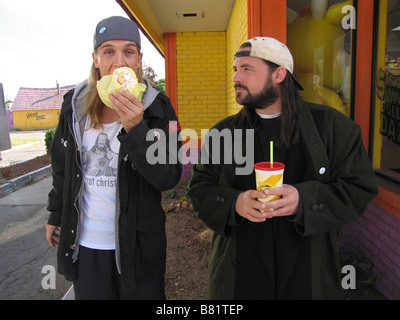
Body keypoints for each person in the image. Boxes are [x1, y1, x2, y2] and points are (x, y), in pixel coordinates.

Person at [187, 37, 378, 300]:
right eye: (235, 69)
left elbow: (360, 188)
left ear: (278, 74)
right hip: (239, 277)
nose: (236, 78)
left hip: (308, 275)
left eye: (247, 69)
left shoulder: (333, 128)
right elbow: (199, 188)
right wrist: (235, 203)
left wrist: (304, 200)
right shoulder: (223, 132)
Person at [46, 16, 181, 300]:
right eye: (108, 51)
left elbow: (168, 176)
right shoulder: (74, 107)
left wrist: (136, 129)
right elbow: (62, 167)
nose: (119, 62)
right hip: (86, 246)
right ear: (96, 59)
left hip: (138, 247)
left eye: (128, 52)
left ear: (138, 60)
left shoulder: (158, 108)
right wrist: (56, 214)